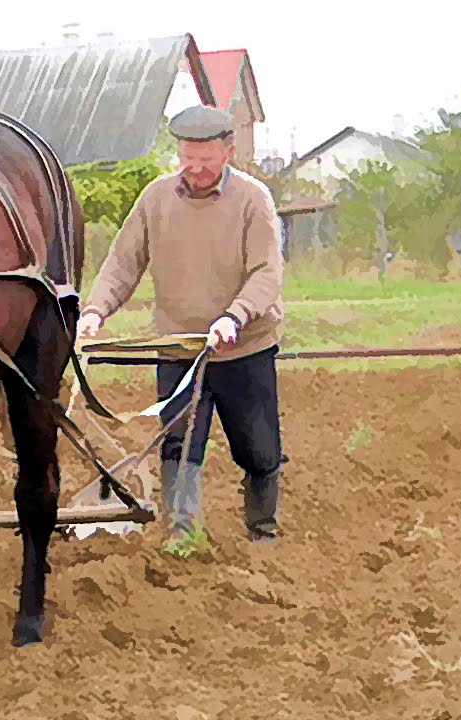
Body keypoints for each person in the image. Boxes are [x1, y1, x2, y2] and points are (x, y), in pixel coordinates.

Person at [77, 104, 286, 545]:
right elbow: (122, 263)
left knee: (258, 449)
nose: (194, 169)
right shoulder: (156, 198)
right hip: (178, 348)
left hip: (242, 347)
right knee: (179, 442)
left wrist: (235, 316)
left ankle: (262, 531)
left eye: (205, 161)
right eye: (186, 158)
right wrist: (96, 310)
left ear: (227, 154)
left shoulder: (252, 200)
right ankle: (183, 534)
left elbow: (267, 271)